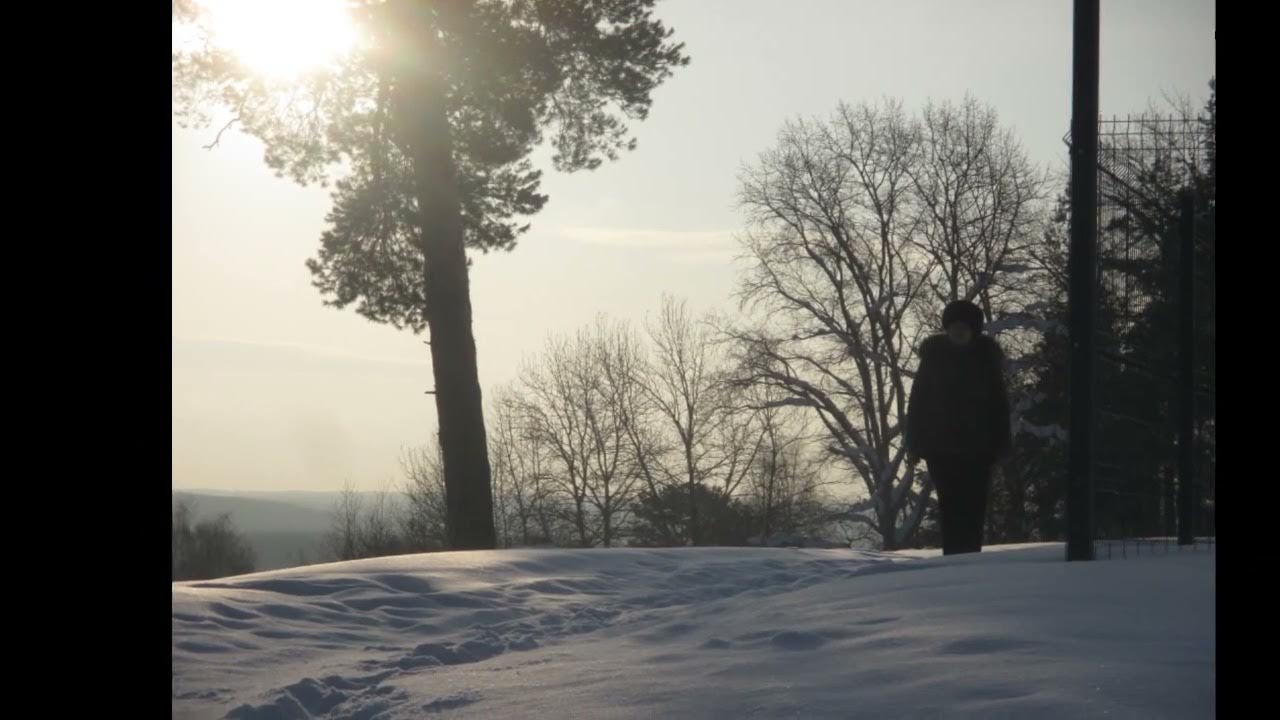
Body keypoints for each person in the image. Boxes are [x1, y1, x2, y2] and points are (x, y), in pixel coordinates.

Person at [905, 300, 1011, 555]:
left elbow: (999, 405)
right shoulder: (933, 359)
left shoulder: (986, 360)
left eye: (964, 327)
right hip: (941, 448)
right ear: (947, 329)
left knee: (974, 506)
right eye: (954, 327)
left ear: (974, 330)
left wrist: (1001, 443)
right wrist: (915, 443)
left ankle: (971, 553)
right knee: (950, 504)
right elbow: (917, 402)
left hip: (979, 448)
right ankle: (953, 555)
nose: (959, 332)